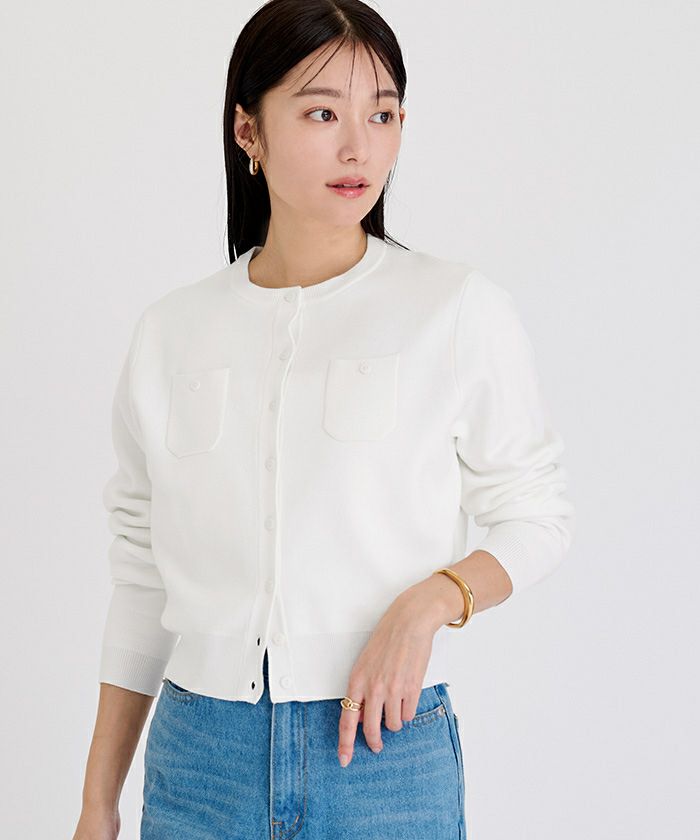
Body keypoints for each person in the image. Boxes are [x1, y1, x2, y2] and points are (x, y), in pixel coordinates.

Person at [72, 1, 575, 838]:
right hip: (199, 763)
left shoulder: (454, 309)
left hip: (385, 754)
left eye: (382, 114)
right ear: (248, 131)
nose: (359, 148)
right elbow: (141, 573)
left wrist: (434, 599)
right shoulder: (172, 332)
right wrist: (98, 802)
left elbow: (538, 514)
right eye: (321, 113)